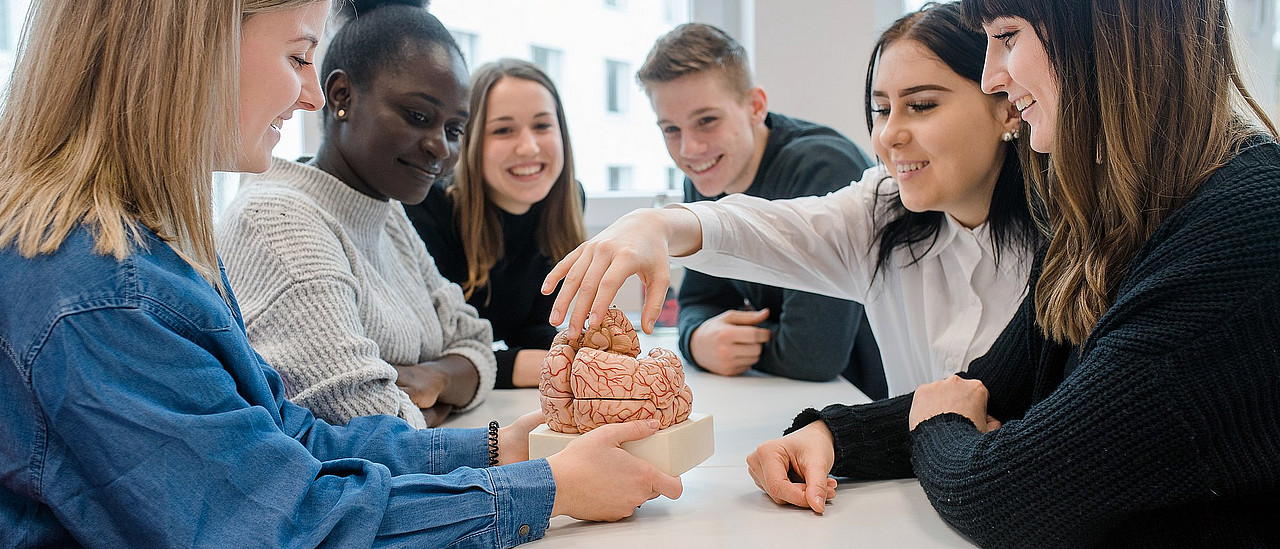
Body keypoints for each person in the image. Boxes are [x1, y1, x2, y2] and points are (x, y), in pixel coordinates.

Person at [0, 1, 680, 546]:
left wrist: (502, 445)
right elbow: (280, 521)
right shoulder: (99, 290)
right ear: (192, 44)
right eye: (297, 55)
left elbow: (290, 438)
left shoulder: (157, 249)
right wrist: (548, 488)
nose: (304, 96)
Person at [743, 1, 1280, 546]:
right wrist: (835, 435)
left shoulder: (1247, 224)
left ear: (1102, 34)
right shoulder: (1113, 210)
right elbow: (995, 388)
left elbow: (1010, 494)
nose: (991, 77)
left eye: (1007, 37)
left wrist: (936, 427)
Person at [545, 4, 1040, 398]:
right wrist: (655, 225)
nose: (889, 135)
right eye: (881, 109)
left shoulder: (1075, 243)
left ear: (1007, 105)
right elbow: (761, 232)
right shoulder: (882, 211)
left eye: (922, 105)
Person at [217, 0, 494, 428]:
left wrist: (430, 379)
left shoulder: (383, 210)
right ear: (341, 95)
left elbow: (476, 343)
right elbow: (373, 425)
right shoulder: (278, 221)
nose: (440, 146)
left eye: (454, 129)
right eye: (418, 116)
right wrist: (436, 395)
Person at [636, 23, 888, 393]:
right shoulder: (706, 178)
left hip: (869, 403)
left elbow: (813, 354)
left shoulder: (822, 168)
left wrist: (726, 343)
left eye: (707, 121)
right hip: (789, 395)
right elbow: (700, 299)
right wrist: (696, 340)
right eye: (671, 129)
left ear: (755, 106)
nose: (689, 149)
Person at [406, 58, 586, 389]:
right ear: (470, 141)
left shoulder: (567, 201)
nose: (529, 147)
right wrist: (552, 367)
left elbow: (532, 329)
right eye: (503, 130)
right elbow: (432, 357)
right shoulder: (428, 207)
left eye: (543, 126)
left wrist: (580, 351)